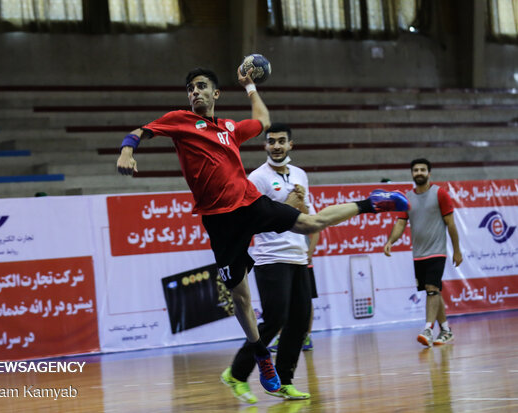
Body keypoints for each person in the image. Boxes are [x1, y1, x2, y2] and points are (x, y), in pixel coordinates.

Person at [117, 66, 409, 394]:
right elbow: (140, 131)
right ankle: (260, 353)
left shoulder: (229, 128)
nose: (194, 92)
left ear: (215, 94)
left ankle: (373, 203)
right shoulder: (181, 120)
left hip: (250, 203)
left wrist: (250, 86)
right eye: (190, 89)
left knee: (309, 222)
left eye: (201, 87)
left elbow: (263, 121)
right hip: (219, 221)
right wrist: (127, 151)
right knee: (240, 297)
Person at [220, 123, 319, 403]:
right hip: (271, 258)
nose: (276, 145)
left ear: (291, 145)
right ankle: (237, 374)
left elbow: (305, 213)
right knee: (275, 319)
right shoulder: (257, 179)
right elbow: (253, 218)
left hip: (298, 257)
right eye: (271, 141)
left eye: (281, 141)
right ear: (265, 146)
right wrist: (287, 206)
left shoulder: (300, 175)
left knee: (299, 323)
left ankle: (284, 381)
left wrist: (308, 244)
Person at [383, 158, 462, 347]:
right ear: (412, 173)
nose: (419, 172)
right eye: (416, 170)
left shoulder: (440, 194)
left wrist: (457, 250)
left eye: (423, 169)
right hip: (418, 254)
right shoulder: (407, 198)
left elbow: (451, 224)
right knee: (433, 289)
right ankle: (446, 330)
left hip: (437, 251)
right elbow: (401, 222)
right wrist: (390, 241)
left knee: (432, 289)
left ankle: (427, 328)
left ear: (429, 173)